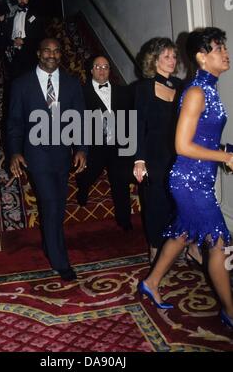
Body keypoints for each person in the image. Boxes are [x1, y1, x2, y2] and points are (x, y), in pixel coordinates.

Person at [138, 27, 233, 328]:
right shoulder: (195, 91)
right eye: (218, 49)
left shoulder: (206, 89)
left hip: (198, 178)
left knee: (182, 234)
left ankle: (151, 282)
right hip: (188, 181)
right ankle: (231, 311)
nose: (225, 53)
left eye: (224, 47)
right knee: (217, 244)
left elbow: (201, 138)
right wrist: (226, 157)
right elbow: (182, 145)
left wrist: (224, 149)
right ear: (202, 57)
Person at [7, 38, 87, 281]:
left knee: (58, 205)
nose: (51, 54)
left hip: (62, 155)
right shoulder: (21, 85)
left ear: (61, 55)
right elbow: (14, 123)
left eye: (56, 51)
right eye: (47, 50)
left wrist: (81, 149)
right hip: (36, 154)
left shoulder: (72, 84)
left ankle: (50, 244)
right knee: (51, 202)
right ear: (38, 53)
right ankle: (60, 261)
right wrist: (14, 152)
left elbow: (80, 120)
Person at [134, 38, 184, 263]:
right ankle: (155, 248)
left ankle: (175, 246)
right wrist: (139, 159)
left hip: (179, 154)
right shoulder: (144, 87)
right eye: (166, 56)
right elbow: (137, 125)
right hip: (154, 155)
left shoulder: (181, 86)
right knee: (155, 203)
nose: (172, 60)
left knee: (177, 201)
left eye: (174, 56)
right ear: (154, 60)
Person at [76, 55, 134, 230]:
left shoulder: (122, 91)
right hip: (95, 144)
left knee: (121, 181)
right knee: (89, 173)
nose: (102, 70)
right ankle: (83, 187)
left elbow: (129, 117)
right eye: (98, 67)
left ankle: (124, 220)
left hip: (118, 143)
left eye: (106, 67)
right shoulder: (81, 93)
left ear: (110, 70)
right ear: (91, 70)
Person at [1, 0, 45, 80]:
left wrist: (23, 41)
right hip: (13, 51)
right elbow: (6, 33)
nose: (22, 0)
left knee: (29, 79)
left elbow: (39, 35)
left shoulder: (35, 14)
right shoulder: (12, 14)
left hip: (29, 51)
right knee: (15, 80)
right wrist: (12, 42)